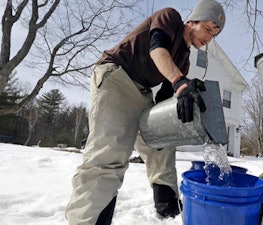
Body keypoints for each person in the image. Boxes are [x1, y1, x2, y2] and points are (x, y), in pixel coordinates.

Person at [65, 0, 225, 224]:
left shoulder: (184, 60)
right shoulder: (170, 17)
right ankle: (87, 220)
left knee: (161, 144)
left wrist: (185, 94)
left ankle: (168, 208)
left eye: (214, 35)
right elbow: (157, 49)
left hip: (142, 92)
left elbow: (163, 102)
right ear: (192, 21)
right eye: (208, 28)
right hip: (116, 77)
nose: (209, 38)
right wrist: (180, 81)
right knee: (109, 155)